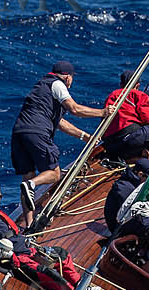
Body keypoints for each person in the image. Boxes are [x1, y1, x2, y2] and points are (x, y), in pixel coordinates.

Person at [10, 61, 106, 227]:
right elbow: (74, 109)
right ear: (68, 77)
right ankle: (31, 185)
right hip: (37, 131)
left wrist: (84, 136)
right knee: (54, 174)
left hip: (19, 133)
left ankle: (29, 223)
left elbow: (59, 122)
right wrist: (102, 113)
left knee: (28, 174)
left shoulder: (41, 87)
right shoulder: (58, 84)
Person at [101, 74, 149, 159]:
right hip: (130, 137)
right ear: (137, 85)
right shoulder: (139, 95)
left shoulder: (111, 96)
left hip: (112, 144)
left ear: (121, 84)